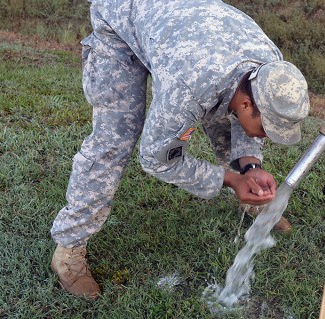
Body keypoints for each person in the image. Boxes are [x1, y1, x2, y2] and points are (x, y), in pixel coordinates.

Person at [50, 0, 310, 300]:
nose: (268, 135)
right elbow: (157, 159)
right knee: (115, 138)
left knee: (232, 119)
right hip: (121, 20)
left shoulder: (271, 68)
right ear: (248, 105)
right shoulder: (187, 87)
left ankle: (250, 195)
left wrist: (250, 168)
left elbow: (245, 112)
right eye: (268, 128)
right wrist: (228, 179)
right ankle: (69, 248)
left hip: (182, 30)